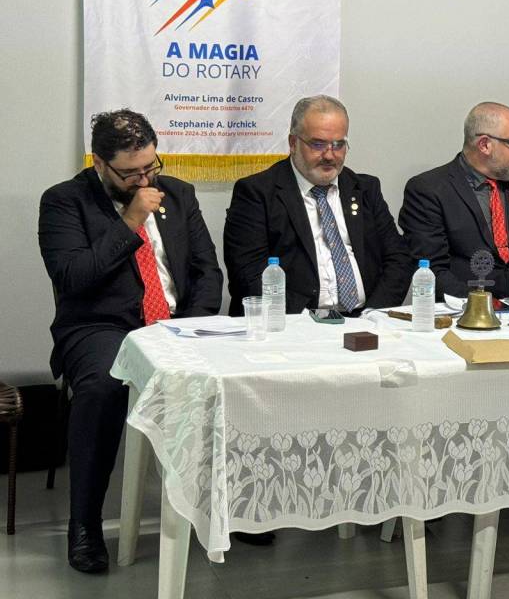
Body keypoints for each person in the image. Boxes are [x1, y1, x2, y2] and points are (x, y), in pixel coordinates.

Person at [38, 110, 223, 573]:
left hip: (176, 323)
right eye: (130, 173)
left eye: (150, 167)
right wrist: (131, 219)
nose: (144, 180)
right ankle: (85, 524)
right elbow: (73, 277)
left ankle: (227, 510)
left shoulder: (179, 193)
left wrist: (192, 325)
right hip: (100, 326)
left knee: (234, 374)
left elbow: (206, 271)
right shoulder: (64, 202)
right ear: (99, 162)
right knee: (102, 387)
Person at [224, 95, 409, 317]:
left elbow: (398, 259)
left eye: (339, 144)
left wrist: (373, 314)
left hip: (364, 319)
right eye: (318, 144)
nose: (329, 155)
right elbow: (248, 276)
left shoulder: (365, 189)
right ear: (293, 143)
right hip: (294, 321)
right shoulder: (257, 193)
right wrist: (308, 320)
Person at [399, 102, 509, 299]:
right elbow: (432, 271)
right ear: (484, 145)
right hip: (464, 306)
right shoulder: (429, 189)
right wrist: (483, 306)